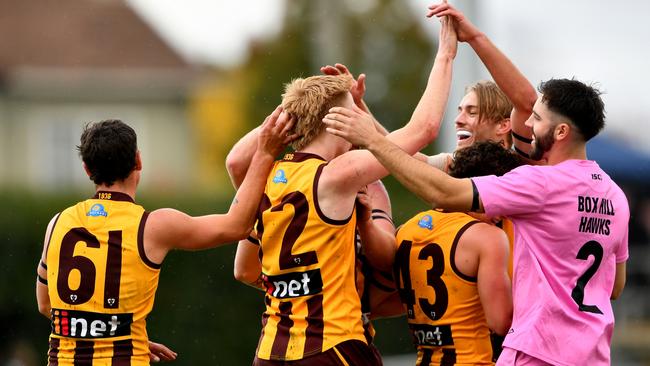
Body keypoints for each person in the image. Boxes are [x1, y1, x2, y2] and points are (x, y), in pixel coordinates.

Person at [325, 76, 629, 365]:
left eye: (472, 111)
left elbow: (430, 181)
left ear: (503, 126)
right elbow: (613, 286)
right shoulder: (613, 195)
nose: (459, 119)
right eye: (460, 110)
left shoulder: (525, 186)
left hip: (518, 350)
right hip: (576, 349)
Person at [228, 11, 458, 365]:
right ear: (334, 122)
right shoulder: (337, 174)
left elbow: (234, 162)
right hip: (332, 347)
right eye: (353, 112)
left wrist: (299, 102)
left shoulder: (265, 174)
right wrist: (445, 54)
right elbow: (423, 129)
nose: (360, 120)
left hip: (270, 351)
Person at [35, 113, 292, 365]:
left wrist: (114, 333)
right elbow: (236, 226)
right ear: (138, 161)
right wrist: (265, 154)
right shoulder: (152, 226)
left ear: (87, 169)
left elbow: (46, 304)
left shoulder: (57, 223)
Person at [394, 141, 522, 365]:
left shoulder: (405, 230)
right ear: (482, 188)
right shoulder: (487, 237)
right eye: (501, 197)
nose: (503, 212)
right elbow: (501, 321)